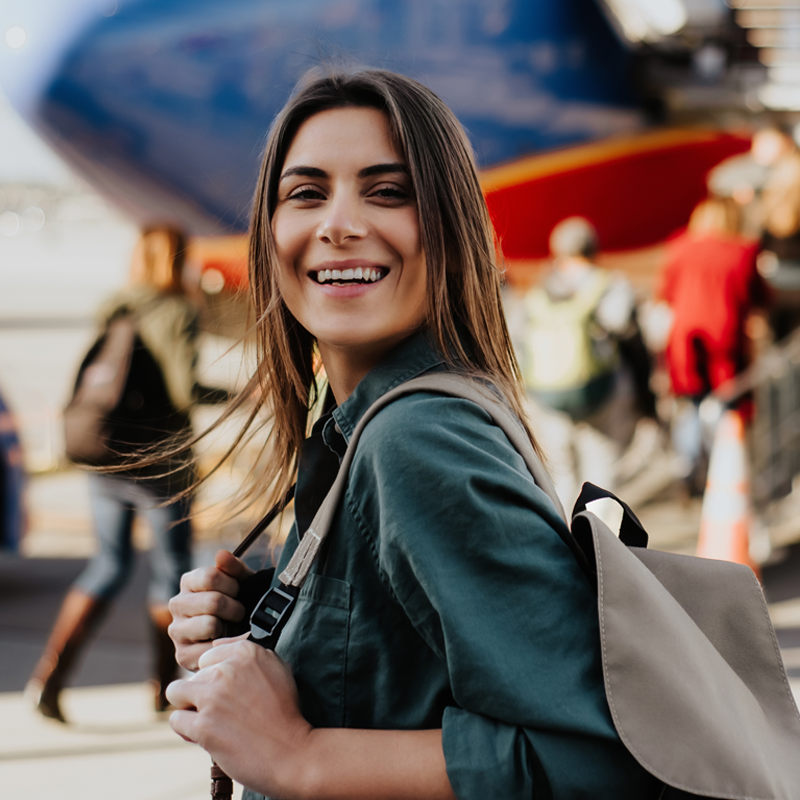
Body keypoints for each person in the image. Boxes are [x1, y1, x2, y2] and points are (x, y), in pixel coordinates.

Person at [165, 69, 660, 800]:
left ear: (451, 226)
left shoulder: (417, 439)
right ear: (270, 234)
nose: (338, 223)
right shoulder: (375, 426)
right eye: (306, 193)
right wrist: (263, 624)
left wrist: (298, 755)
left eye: (388, 191)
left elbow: (600, 762)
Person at [25, 227, 229, 722]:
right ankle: (163, 688)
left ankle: (48, 681)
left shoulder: (116, 305)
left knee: (110, 565)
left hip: (107, 457)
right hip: (160, 464)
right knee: (170, 573)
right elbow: (185, 392)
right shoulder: (177, 310)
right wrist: (240, 392)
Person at [516, 216, 643, 513]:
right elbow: (623, 325)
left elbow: (518, 340)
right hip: (597, 392)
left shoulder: (539, 290)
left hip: (545, 396)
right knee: (600, 471)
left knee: (561, 476)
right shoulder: (607, 284)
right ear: (593, 248)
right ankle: (597, 545)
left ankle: (562, 543)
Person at [656, 196, 772, 495]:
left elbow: (666, 293)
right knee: (725, 405)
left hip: (685, 339)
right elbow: (758, 297)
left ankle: (688, 466)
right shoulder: (743, 251)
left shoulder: (679, 247)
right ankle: (721, 470)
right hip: (726, 339)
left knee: (691, 404)